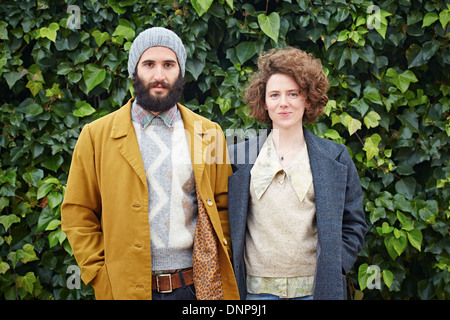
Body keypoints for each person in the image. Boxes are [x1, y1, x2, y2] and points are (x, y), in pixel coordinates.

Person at [61, 27, 239, 300]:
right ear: (134, 71)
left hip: (195, 288)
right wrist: (99, 273)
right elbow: (77, 214)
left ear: (180, 71)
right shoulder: (95, 136)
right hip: (125, 288)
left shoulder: (210, 133)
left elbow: (224, 205)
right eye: (149, 64)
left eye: (169, 64)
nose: (159, 75)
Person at [228, 47, 367, 300]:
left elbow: (355, 222)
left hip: (315, 293)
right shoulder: (238, 157)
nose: (284, 103)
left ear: (308, 99)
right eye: (275, 95)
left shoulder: (335, 157)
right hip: (253, 294)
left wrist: (336, 267)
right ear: (264, 101)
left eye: (293, 94)